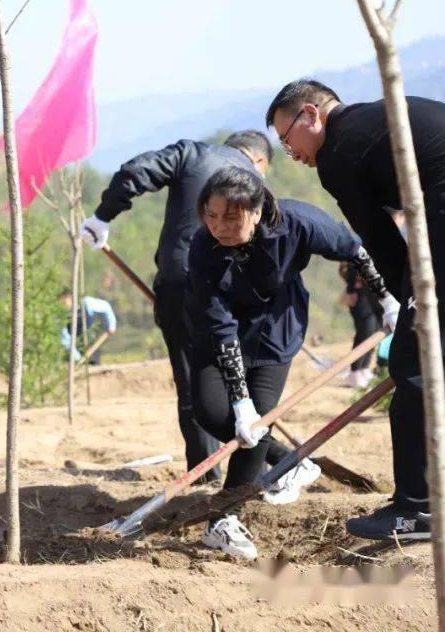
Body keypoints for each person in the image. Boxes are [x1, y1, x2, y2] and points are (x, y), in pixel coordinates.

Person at [187, 167, 397, 560]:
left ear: (255, 210)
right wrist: (238, 400)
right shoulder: (204, 246)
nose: (219, 227)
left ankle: (223, 519)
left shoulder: (297, 221)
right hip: (218, 335)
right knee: (216, 414)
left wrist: (386, 300)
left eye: (231, 217)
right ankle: (289, 463)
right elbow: (218, 319)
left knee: (256, 425)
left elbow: (353, 249)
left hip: (274, 330)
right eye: (211, 216)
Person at [266, 78, 439, 541]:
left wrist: (406, 301)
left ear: (310, 115)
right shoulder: (371, 122)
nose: (293, 153)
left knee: (413, 366)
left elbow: (382, 244)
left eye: (287, 139)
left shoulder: (339, 154)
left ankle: (416, 511)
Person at [79, 130, 272, 484]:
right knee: (247, 382)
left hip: (181, 283)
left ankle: (207, 478)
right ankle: (258, 472)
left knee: (194, 384)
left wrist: (103, 216)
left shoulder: (190, 154)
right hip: (238, 293)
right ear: (259, 161)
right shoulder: (255, 183)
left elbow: (134, 172)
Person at [338, 259, 383, 388]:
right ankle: (355, 371)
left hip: (375, 294)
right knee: (364, 333)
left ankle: (364, 369)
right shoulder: (363, 244)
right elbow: (354, 263)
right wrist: (351, 289)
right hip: (361, 294)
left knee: (374, 332)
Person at [58, 291, 117, 365]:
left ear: (70, 298)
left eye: (64, 302)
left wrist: (111, 326)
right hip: (75, 351)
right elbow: (64, 339)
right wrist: (77, 357)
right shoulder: (60, 315)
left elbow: (106, 307)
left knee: (94, 366)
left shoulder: (86, 303)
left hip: (91, 346)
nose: (62, 305)